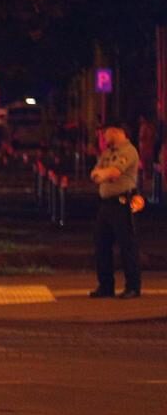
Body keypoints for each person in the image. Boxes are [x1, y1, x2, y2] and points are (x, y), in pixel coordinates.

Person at [88, 123, 141, 299]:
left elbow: (114, 173)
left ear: (117, 131)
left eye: (106, 132)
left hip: (122, 203)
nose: (103, 136)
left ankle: (133, 286)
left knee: (127, 246)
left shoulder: (128, 151)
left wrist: (103, 174)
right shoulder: (108, 152)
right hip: (106, 204)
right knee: (101, 245)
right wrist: (102, 174)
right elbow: (95, 172)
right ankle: (106, 286)